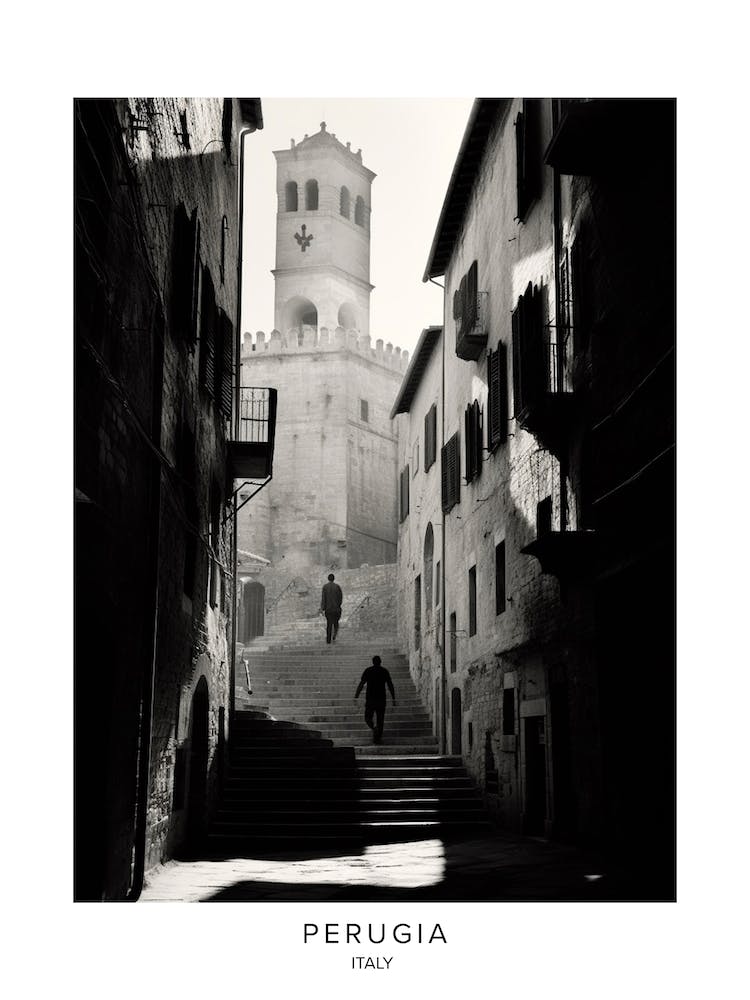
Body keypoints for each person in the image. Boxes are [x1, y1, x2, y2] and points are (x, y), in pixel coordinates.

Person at [354, 655, 396, 744]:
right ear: (380, 662)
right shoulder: (384, 671)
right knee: (380, 719)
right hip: (381, 699)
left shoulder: (368, 670)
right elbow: (390, 685)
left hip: (370, 699)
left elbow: (361, 683)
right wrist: (393, 698)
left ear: (373, 662)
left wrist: (356, 695)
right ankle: (378, 738)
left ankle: (373, 728)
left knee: (367, 717)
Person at [320, 573, 343, 644]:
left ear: (328, 579)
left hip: (328, 609)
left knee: (329, 624)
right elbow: (340, 598)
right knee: (336, 623)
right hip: (336, 609)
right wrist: (338, 605)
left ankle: (328, 640)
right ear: (334, 579)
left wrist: (322, 608)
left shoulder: (325, 587)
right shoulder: (337, 587)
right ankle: (334, 635)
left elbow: (323, 598)